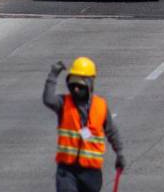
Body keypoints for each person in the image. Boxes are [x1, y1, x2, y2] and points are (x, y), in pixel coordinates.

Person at [44, 57, 125, 192]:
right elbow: (48, 99)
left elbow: (112, 131)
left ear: (89, 84)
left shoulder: (100, 106)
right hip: (67, 171)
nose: (76, 89)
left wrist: (120, 153)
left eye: (80, 86)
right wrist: (52, 76)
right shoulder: (63, 103)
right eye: (73, 85)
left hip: (91, 174)